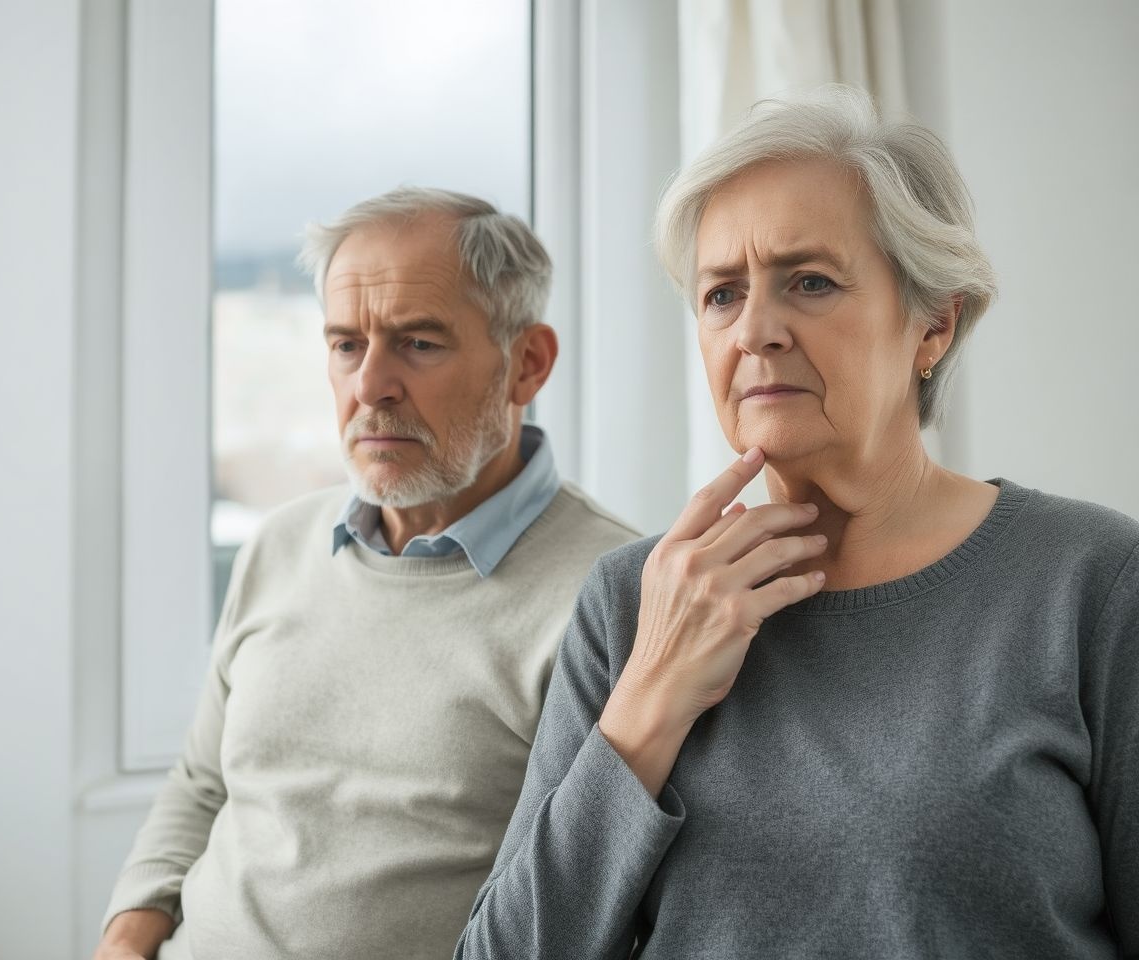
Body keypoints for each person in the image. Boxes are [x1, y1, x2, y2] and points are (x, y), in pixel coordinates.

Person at [455, 86, 1138, 959]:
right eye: (721, 295)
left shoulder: (1092, 580)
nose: (756, 331)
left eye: (809, 282)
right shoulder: (634, 602)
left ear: (933, 323)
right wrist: (652, 696)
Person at [93, 187, 638, 960]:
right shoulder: (278, 543)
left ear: (528, 364)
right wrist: (125, 939)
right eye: (347, 345)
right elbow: (202, 783)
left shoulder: (613, 594)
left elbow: (585, 901)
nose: (370, 387)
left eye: (418, 343)